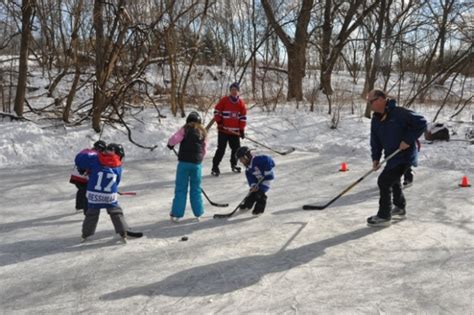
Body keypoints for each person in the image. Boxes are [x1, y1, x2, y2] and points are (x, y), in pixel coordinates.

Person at [367, 89, 427, 227]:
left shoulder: (400, 113)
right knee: (393, 181)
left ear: (381, 99)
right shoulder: (376, 119)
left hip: (405, 156)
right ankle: (399, 207)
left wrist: (408, 139)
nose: (370, 104)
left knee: (384, 181)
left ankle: (384, 215)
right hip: (392, 157)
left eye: (372, 101)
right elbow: (375, 141)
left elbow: (422, 122)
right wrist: (375, 158)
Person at [75, 143, 131, 243]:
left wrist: (89, 151)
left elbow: (79, 160)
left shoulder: (94, 158)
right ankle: (123, 232)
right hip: (109, 194)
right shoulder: (118, 164)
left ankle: (86, 234)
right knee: (116, 212)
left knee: (92, 213)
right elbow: (117, 181)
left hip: (94, 193)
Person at [167, 111, 208, 222]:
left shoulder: (185, 129)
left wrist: (170, 145)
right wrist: (198, 160)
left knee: (181, 188)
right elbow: (204, 150)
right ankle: (198, 213)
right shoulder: (202, 132)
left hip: (184, 163)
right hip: (196, 165)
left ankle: (177, 214)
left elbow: (174, 139)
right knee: (196, 189)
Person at [211, 82, 247, 176]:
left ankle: (234, 165)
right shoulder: (224, 100)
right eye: (232, 90)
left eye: (235, 90)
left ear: (238, 91)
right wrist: (219, 122)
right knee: (221, 149)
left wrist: (241, 130)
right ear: (230, 91)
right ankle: (215, 167)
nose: (234, 92)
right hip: (223, 130)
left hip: (234, 131)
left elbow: (242, 118)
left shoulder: (241, 103)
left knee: (236, 149)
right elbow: (216, 111)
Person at [235, 146, 275, 215]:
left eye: (241, 159)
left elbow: (269, 160)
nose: (241, 161)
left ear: (246, 156)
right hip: (258, 180)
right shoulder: (248, 168)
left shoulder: (257, 160)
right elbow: (250, 178)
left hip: (267, 179)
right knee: (252, 192)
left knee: (259, 194)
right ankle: (248, 204)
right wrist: (253, 184)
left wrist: (267, 171)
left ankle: (259, 209)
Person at [70, 140, 107, 214]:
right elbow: (94, 169)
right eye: (103, 150)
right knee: (87, 194)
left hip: (75, 176)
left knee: (81, 190)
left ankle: (79, 206)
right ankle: (87, 212)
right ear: (100, 149)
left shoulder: (85, 151)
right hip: (84, 178)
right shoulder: (97, 156)